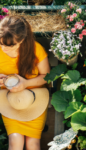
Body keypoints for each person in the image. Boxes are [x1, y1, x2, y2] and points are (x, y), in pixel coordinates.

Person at [0, 15, 50, 150]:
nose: (4, 49)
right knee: (15, 141)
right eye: (1, 43)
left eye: (10, 45)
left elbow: (47, 77)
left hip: (34, 99)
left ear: (21, 40)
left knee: (32, 144)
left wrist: (25, 84)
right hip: (9, 101)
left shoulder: (35, 49)